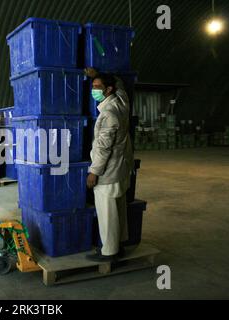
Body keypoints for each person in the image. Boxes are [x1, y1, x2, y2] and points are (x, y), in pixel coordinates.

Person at [85, 68, 134, 263]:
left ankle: (109, 251)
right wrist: (97, 74)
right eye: (93, 86)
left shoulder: (109, 114)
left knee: (107, 212)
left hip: (109, 170)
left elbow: (103, 148)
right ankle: (119, 244)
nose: (93, 89)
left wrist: (93, 172)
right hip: (122, 168)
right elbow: (121, 86)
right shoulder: (121, 102)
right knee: (119, 207)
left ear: (108, 90)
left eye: (97, 87)